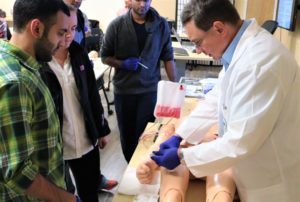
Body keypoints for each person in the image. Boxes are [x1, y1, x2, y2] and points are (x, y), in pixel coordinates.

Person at [151, 0, 300, 201]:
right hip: (252, 171)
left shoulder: (258, 63)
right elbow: (218, 98)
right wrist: (181, 136)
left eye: (197, 42)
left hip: (271, 182)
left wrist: (182, 156)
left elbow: (240, 142)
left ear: (219, 28)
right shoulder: (241, 52)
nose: (197, 50)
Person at [0, 0, 82, 201]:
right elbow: (18, 172)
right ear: (36, 28)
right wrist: (66, 198)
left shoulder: (20, 63)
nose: (63, 42)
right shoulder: (16, 82)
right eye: (60, 33)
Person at [40, 5, 117, 201]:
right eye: (62, 31)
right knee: (65, 194)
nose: (68, 36)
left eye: (73, 29)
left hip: (85, 139)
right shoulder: (40, 62)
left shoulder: (79, 53)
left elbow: (92, 95)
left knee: (90, 192)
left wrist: (101, 130)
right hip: (57, 146)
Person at [101, 0, 176, 162]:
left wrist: (175, 86)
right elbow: (104, 56)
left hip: (149, 91)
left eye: (147, 0)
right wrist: (122, 64)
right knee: (127, 138)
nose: (143, 4)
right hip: (124, 92)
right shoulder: (116, 25)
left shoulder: (161, 25)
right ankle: (131, 168)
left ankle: (143, 168)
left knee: (146, 135)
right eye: (138, 0)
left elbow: (168, 57)